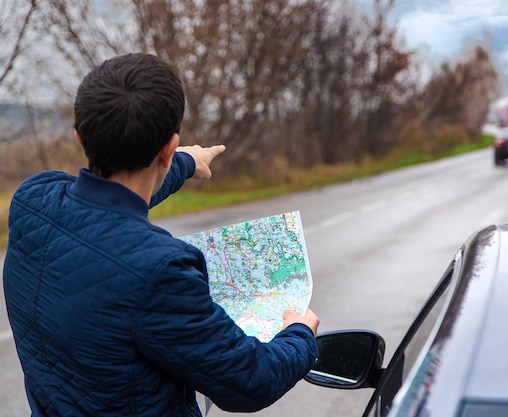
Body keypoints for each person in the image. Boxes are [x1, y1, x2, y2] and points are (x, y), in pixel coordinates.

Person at [3, 52, 320, 417]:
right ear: (167, 147)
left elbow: (103, 200)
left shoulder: (31, 201)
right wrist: (299, 335)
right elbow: (250, 381)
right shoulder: (160, 270)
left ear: (79, 136)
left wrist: (184, 163)